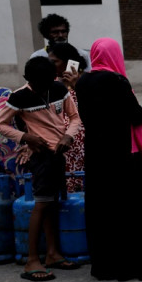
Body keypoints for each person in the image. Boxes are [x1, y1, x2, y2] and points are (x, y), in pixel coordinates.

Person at [75, 38, 142, 282]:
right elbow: (135, 115)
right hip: (122, 155)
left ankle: (106, 265)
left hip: (97, 156)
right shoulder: (117, 81)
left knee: (103, 209)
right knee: (129, 208)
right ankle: (135, 266)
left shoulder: (83, 82)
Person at [0, 57, 83, 281]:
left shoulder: (58, 88)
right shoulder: (20, 96)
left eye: (46, 82)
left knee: (51, 204)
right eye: (37, 83)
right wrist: (25, 137)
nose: (42, 87)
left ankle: (52, 254)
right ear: (27, 80)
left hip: (58, 153)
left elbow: (74, 117)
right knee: (41, 204)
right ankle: (32, 260)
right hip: (40, 156)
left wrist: (68, 136)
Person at [48, 42, 88, 193]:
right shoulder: (50, 86)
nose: (50, 65)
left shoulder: (85, 81)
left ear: (68, 62)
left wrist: (77, 85)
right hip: (61, 147)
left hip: (83, 146)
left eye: (55, 61)